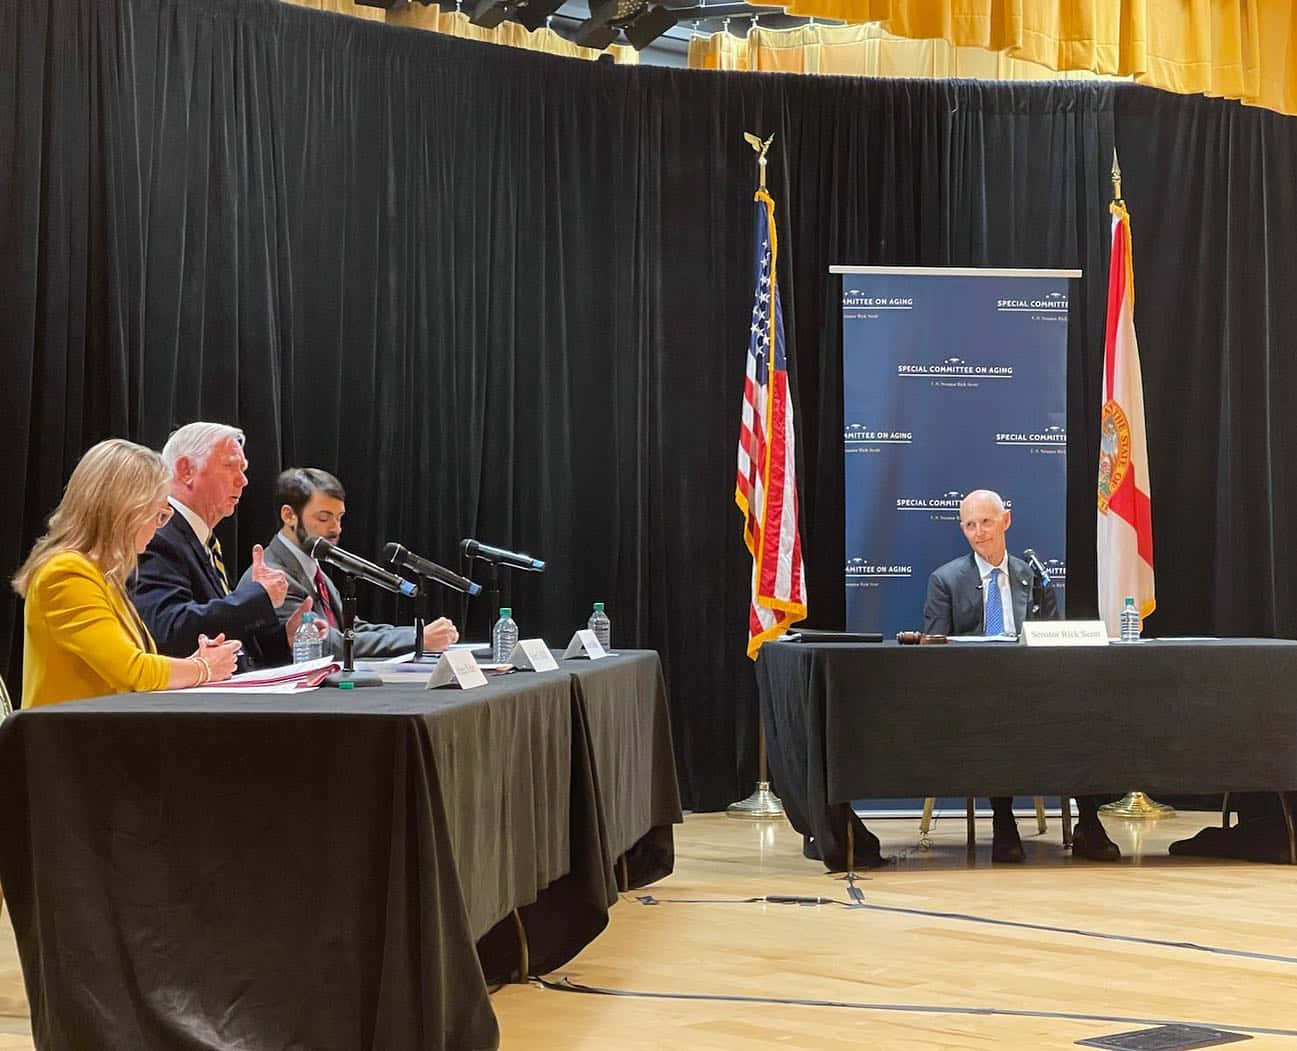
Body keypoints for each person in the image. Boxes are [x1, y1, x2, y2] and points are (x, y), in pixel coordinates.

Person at [922, 488, 1121, 863]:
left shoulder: (1033, 576)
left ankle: (1090, 823)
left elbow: (1055, 638)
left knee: (1082, 716)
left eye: (986, 522)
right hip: (976, 695)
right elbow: (934, 652)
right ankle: (1003, 821)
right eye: (969, 525)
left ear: (1006, 521)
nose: (979, 532)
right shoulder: (945, 580)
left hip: (1034, 689)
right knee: (1000, 717)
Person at [12, 439, 242, 707]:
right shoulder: (66, 573)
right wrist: (203, 668)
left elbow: (133, 664)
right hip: (71, 742)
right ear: (126, 511)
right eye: (159, 514)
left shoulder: (100, 574)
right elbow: (134, 672)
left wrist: (194, 663)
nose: (159, 527)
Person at [133, 422, 311, 668]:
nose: (243, 480)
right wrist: (257, 598)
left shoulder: (201, 538)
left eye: (243, 468)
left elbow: (222, 638)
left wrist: (283, 640)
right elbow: (170, 630)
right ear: (186, 470)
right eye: (230, 466)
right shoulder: (159, 535)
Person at [240, 468, 458, 658]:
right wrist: (416, 639)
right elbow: (325, 641)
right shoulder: (272, 576)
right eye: (324, 518)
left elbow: (353, 628)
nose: (336, 529)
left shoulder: (314, 569)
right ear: (289, 516)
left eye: (340, 518)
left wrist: (419, 633)